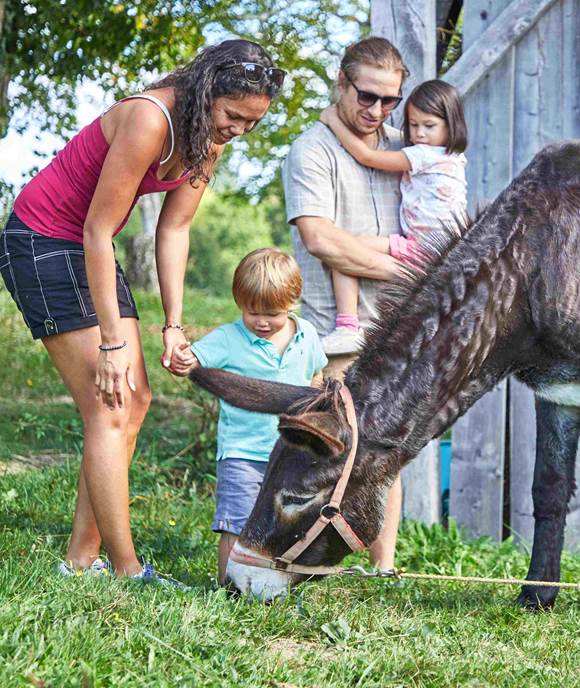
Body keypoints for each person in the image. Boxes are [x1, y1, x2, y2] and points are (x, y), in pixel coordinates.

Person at [0, 39, 285, 584]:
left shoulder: (208, 142)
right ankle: (126, 569)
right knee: (110, 404)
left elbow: (174, 228)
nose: (239, 131)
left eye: (253, 124)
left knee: (136, 399)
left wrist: (173, 324)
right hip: (42, 241)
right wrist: (111, 342)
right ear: (207, 91)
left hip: (86, 246)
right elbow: (98, 229)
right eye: (233, 116)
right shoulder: (149, 119)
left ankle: (81, 561)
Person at [282, 36, 408, 570]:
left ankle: (384, 570)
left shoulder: (408, 146)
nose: (377, 111)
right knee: (317, 449)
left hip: (398, 325)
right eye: (367, 96)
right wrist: (409, 271)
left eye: (389, 101)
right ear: (341, 82)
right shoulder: (311, 148)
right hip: (331, 329)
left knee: (388, 452)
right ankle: (291, 561)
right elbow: (320, 238)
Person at [167, 248, 326, 585]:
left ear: (293, 301)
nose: (263, 322)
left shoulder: (307, 335)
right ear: (239, 301)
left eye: (273, 313)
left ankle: (271, 583)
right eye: (252, 312)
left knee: (282, 523)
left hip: (287, 455)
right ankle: (227, 587)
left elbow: (316, 376)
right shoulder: (228, 338)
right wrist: (182, 361)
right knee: (235, 522)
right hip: (242, 452)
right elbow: (194, 361)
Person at [318, 78, 468, 354]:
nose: (420, 133)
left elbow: (366, 156)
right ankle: (355, 329)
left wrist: (332, 120)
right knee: (346, 248)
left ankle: (348, 327)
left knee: (343, 250)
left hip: (427, 251)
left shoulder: (426, 155)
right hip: (424, 246)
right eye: (413, 125)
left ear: (451, 124)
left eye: (429, 126)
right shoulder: (453, 157)